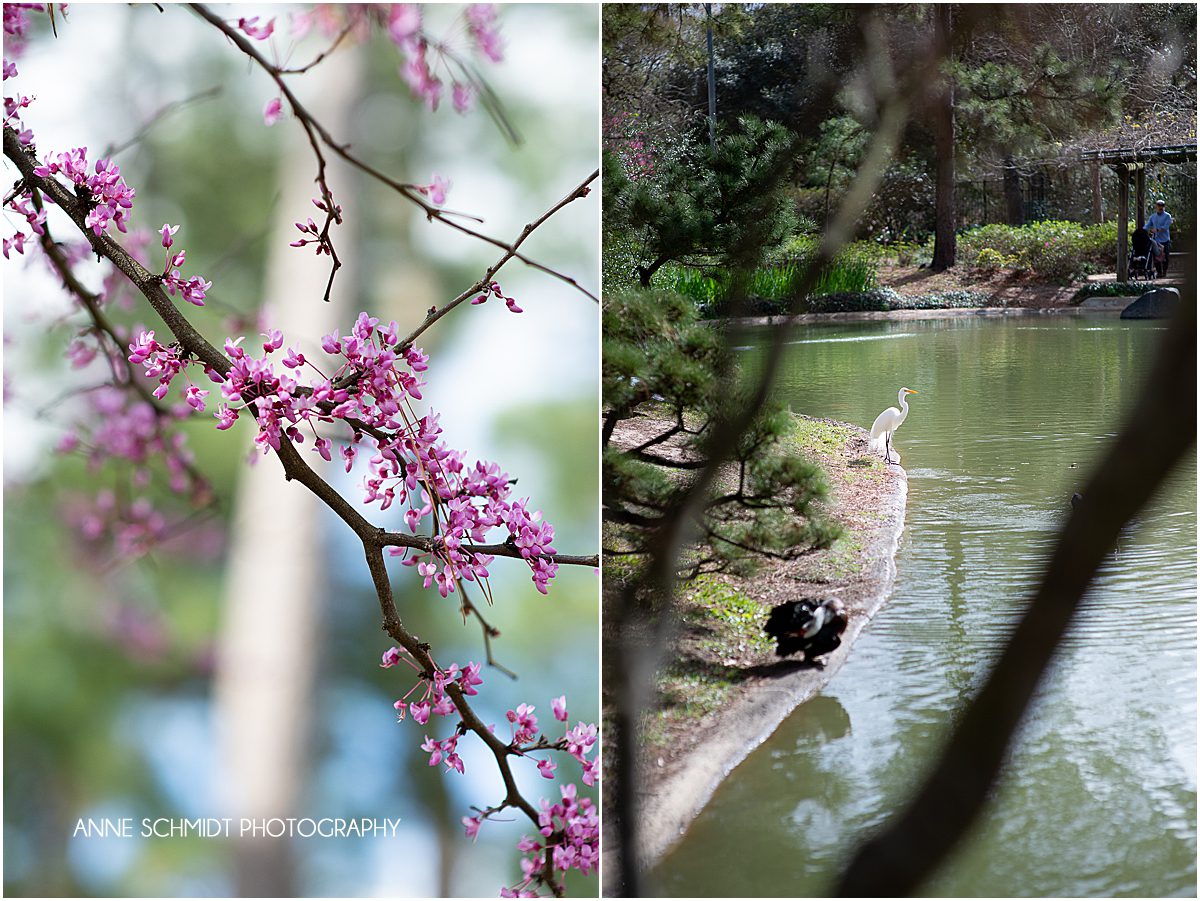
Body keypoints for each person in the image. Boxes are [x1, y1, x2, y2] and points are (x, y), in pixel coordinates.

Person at [1144, 199, 1173, 278]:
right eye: (1159, 205)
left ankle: (1164, 271)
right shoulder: (1153, 217)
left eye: (1162, 205)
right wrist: (1142, 230)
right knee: (1156, 256)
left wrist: (1157, 230)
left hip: (1165, 239)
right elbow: (1147, 225)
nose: (1160, 207)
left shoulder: (1167, 216)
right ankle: (1159, 272)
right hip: (1156, 240)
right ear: (1156, 207)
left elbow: (1166, 227)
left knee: (1165, 257)